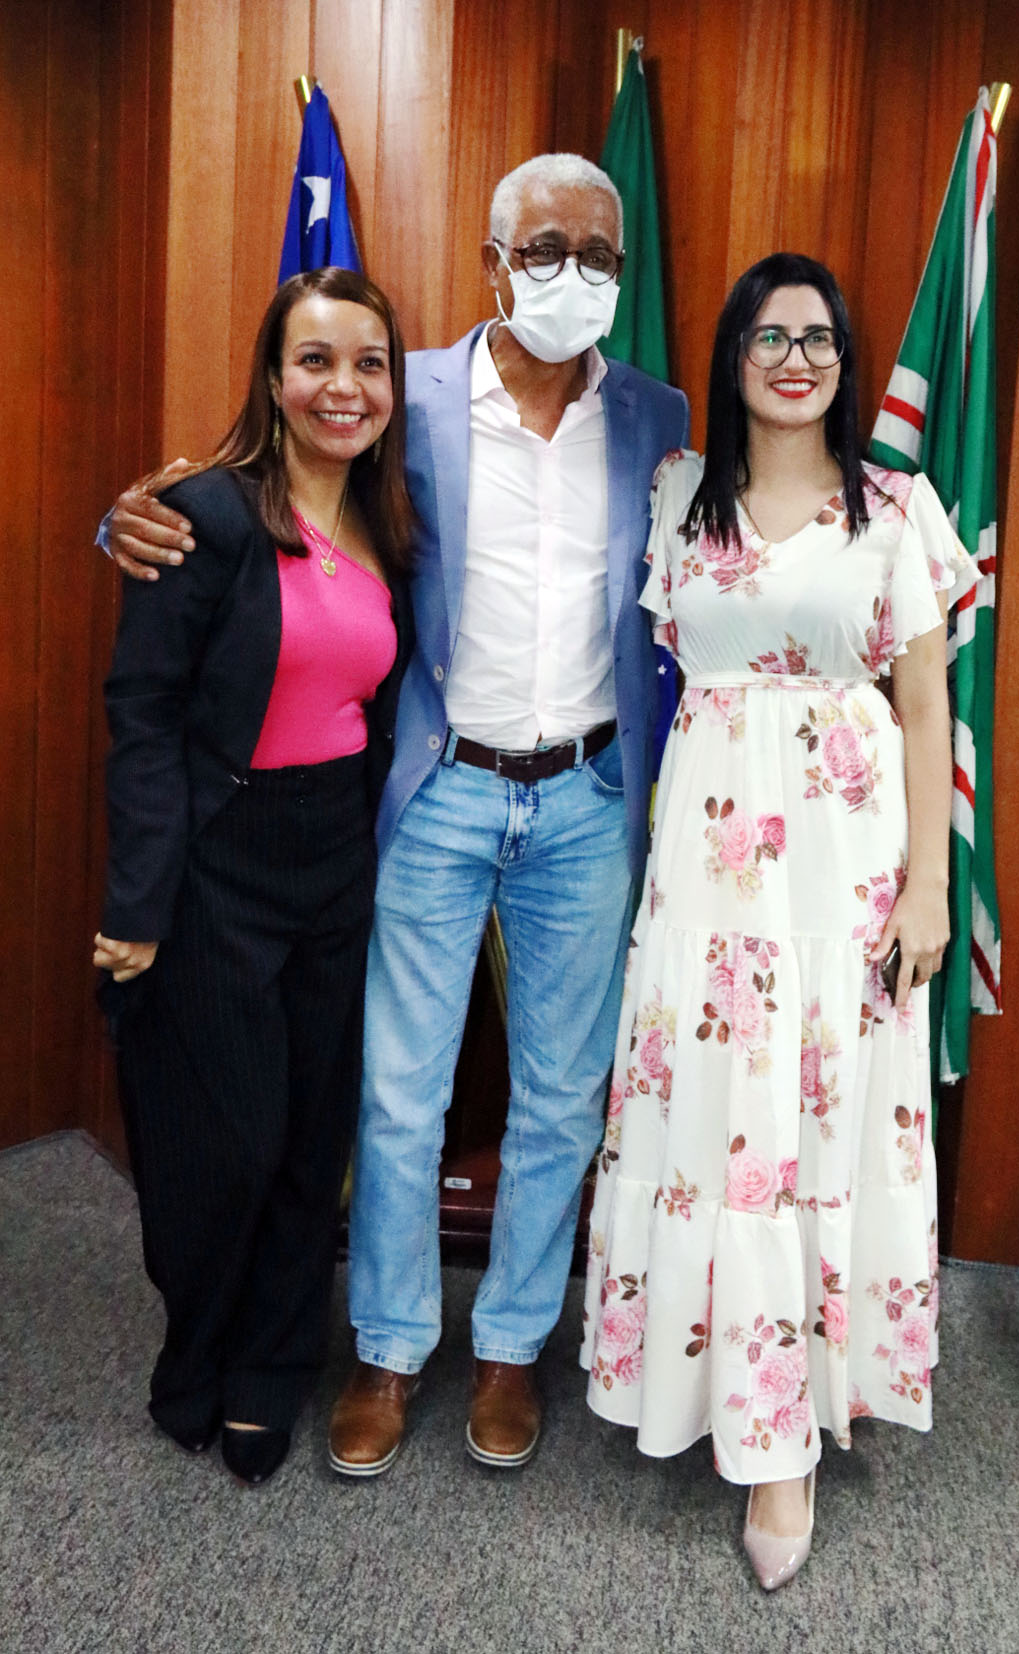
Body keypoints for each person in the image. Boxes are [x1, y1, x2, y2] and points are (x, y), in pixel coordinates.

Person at [105, 154, 689, 1477]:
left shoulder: (655, 414)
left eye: (600, 254)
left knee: (561, 1098)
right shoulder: (401, 390)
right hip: (437, 789)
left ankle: (510, 1344)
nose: (575, 274)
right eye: (546, 248)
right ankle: (387, 1343)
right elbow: (263, 493)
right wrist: (122, 521)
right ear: (493, 262)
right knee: (397, 1092)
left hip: (589, 795)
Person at [580, 253, 976, 1587]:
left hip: (842, 874)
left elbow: (922, 706)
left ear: (843, 359)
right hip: (705, 879)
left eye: (816, 337)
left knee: (814, 1126)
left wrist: (928, 887)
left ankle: (785, 1441)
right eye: (768, 335)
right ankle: (700, 1386)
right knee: (709, 1123)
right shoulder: (676, 494)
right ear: (732, 353)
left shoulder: (896, 507)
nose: (794, 358)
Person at [96, 266, 414, 1486]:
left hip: (337, 860)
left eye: (369, 364)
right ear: (273, 379)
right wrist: (138, 904)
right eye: (315, 360)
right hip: (218, 861)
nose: (344, 387)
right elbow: (143, 715)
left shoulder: (389, 526)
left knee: (307, 1136)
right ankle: (200, 1351)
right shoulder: (206, 516)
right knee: (221, 1142)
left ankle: (273, 1365)